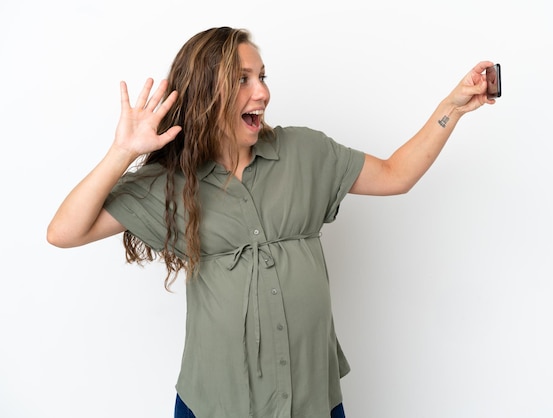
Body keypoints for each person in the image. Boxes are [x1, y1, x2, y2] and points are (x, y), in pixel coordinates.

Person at [47, 26, 496, 418]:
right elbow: (63, 232)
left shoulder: (305, 152)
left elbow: (398, 175)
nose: (261, 91)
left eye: (261, 77)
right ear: (206, 91)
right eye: (242, 79)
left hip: (311, 400)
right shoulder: (169, 184)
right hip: (217, 405)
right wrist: (122, 152)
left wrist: (453, 107)